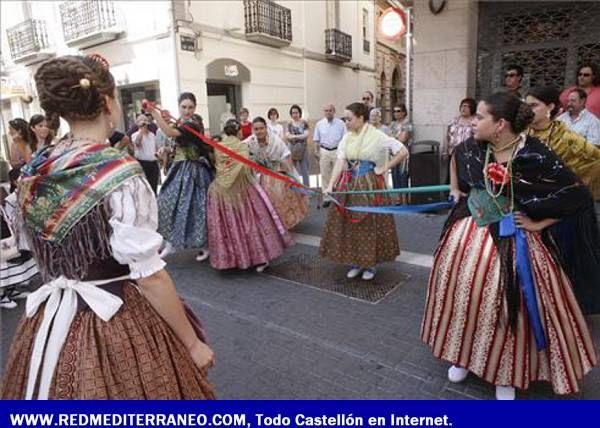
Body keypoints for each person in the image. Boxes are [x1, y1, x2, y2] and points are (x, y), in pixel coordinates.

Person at [0, 54, 215, 399]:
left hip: (50, 317)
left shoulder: (37, 169)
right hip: (114, 314)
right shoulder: (119, 173)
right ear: (107, 101)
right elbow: (150, 276)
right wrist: (191, 344)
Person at [422, 92, 597, 400]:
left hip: (515, 242)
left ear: (500, 124)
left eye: (480, 117)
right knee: (465, 297)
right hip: (468, 235)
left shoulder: (535, 153)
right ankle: (462, 356)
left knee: (506, 306)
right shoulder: (474, 148)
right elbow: (456, 156)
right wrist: (454, 188)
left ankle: (506, 373)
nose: (474, 123)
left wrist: (539, 224)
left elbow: (577, 195)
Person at [320, 102, 408, 281]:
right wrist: (331, 185)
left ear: (361, 118)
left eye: (349, 119)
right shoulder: (347, 137)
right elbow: (340, 161)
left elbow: (402, 151)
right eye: (345, 119)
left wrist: (384, 167)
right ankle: (356, 262)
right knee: (350, 224)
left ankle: (369, 264)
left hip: (369, 185)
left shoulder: (377, 136)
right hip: (349, 184)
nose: (346, 122)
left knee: (368, 224)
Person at [207, 119, 293, 272]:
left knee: (229, 226)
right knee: (252, 223)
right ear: (239, 131)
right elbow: (246, 169)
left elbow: (219, 166)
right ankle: (259, 257)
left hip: (220, 191)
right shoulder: (242, 147)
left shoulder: (218, 147)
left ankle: (231, 260)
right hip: (242, 190)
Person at [148, 93, 214, 262]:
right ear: (179, 107)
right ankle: (171, 242)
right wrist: (167, 151)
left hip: (194, 171)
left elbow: (169, 131)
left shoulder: (193, 124)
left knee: (197, 209)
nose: (187, 110)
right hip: (179, 169)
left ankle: (205, 244)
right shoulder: (182, 122)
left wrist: (154, 114)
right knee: (166, 203)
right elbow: (176, 142)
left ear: (195, 108)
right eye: (184, 107)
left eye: (190, 107)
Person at [525, 86, 600, 199]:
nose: (528, 110)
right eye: (526, 106)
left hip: (554, 198)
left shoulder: (565, 136)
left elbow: (595, 158)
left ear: (550, 107)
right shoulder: (520, 131)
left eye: (534, 105)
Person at [245, 117, 309, 230]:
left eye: (261, 128)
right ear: (253, 130)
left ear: (266, 128)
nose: (259, 131)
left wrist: (289, 174)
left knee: (278, 195)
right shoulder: (250, 141)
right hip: (258, 176)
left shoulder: (275, 141)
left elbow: (286, 155)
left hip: (275, 173)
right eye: (256, 129)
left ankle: (281, 224)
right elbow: (238, 148)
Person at [313, 103, 346, 203]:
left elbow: (345, 139)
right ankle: (326, 198)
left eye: (330, 110)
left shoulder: (341, 123)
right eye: (326, 111)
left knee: (339, 174)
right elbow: (316, 139)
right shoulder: (319, 124)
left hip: (337, 151)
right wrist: (315, 151)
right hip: (324, 151)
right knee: (325, 174)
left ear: (334, 111)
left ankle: (339, 196)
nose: (328, 113)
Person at [131, 114, 161, 193]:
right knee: (144, 188)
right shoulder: (135, 135)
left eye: (145, 120)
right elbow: (137, 143)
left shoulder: (152, 135)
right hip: (142, 163)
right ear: (137, 123)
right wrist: (141, 130)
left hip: (153, 163)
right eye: (141, 120)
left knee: (154, 187)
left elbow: (156, 148)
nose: (143, 122)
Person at [389, 104, 412, 198]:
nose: (396, 113)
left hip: (403, 154)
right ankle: (398, 198)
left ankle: (405, 198)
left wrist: (394, 138)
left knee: (403, 175)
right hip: (393, 154)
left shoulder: (407, 124)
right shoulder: (392, 124)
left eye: (398, 111)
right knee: (395, 175)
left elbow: (403, 138)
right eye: (394, 111)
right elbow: (388, 139)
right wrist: (395, 138)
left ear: (403, 112)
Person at [285, 104, 310, 187]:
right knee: (292, 171)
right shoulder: (289, 123)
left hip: (303, 150)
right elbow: (287, 136)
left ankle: (307, 190)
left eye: (296, 112)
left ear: (299, 113)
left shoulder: (304, 123)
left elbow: (306, 135)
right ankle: (295, 189)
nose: (295, 114)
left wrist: (294, 137)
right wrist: (300, 136)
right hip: (292, 150)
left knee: (305, 171)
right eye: (293, 113)